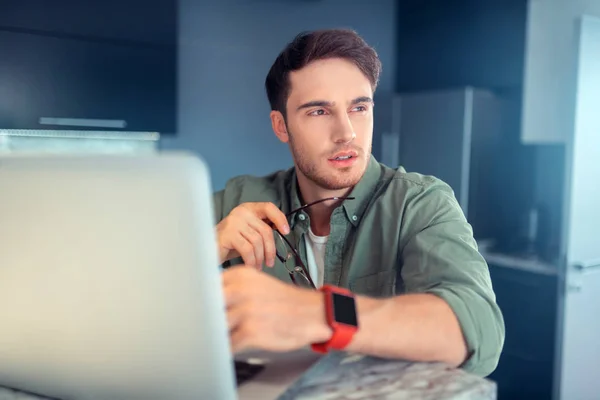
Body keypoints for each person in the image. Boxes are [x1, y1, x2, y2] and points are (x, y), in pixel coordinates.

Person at [213, 28, 504, 377]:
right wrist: (207, 248)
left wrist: (316, 313)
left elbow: (478, 331)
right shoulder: (238, 200)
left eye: (359, 107)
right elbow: (134, 293)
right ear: (281, 126)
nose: (347, 132)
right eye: (319, 111)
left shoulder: (420, 202)